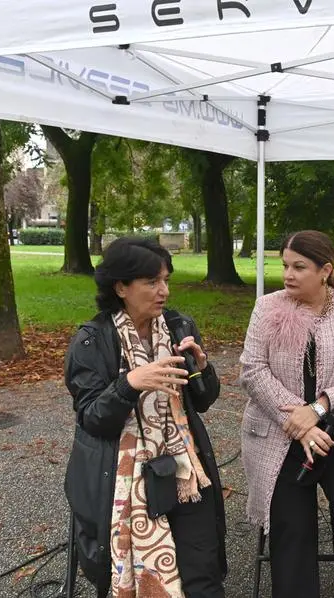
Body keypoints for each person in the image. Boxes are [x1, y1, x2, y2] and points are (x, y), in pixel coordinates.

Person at [64, 237, 226, 598]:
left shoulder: (179, 326)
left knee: (203, 578)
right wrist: (130, 384)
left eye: (166, 280)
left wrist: (202, 367)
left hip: (184, 470)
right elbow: (92, 418)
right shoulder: (93, 341)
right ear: (120, 287)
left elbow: (202, 400)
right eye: (152, 282)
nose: (164, 291)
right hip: (124, 476)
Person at [239, 230, 334, 598]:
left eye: (299, 267)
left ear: (325, 270)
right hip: (279, 434)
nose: (288, 274)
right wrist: (301, 425)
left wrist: (319, 408)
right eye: (285, 265)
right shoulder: (267, 306)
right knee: (293, 529)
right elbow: (252, 370)